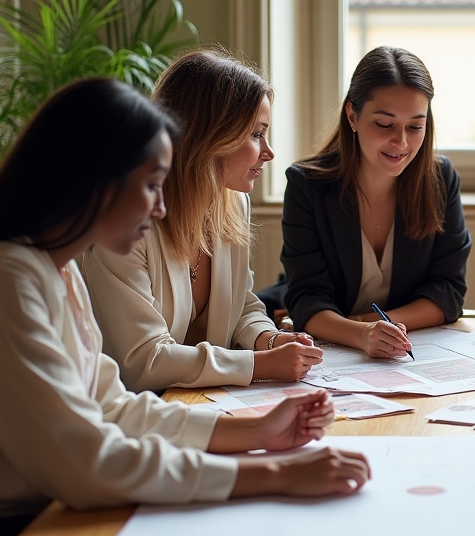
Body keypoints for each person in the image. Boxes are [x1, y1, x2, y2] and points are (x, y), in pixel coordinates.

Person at [0, 78, 370, 536]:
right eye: (151, 185)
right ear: (95, 178)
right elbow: (86, 463)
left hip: (51, 514)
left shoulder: (55, 269)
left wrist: (256, 430)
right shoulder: (1, 277)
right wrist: (273, 474)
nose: (161, 208)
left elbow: (112, 409)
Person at [85, 48, 322, 391]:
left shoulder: (232, 203)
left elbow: (241, 305)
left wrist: (269, 340)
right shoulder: (126, 225)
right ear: (211, 137)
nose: (269, 153)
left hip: (198, 401)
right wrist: (259, 364)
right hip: (132, 417)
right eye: (256, 134)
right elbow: (143, 361)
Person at [280, 46, 471, 358]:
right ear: (352, 116)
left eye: (415, 126)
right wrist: (363, 334)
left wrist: (372, 326)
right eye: (385, 124)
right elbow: (307, 299)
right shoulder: (306, 185)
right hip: (331, 351)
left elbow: (448, 293)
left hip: (398, 348)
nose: (402, 142)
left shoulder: (440, 178)